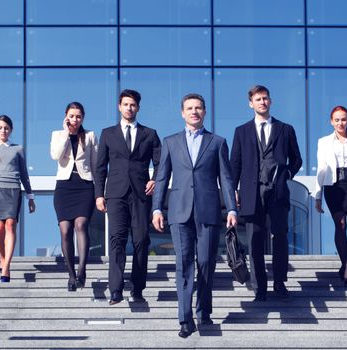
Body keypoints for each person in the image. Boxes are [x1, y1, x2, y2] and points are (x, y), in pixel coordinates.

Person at [152, 93, 237, 338]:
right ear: (182, 113)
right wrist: (157, 208)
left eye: (198, 108)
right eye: (189, 108)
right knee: (184, 263)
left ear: (204, 112)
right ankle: (185, 318)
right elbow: (161, 178)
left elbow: (226, 179)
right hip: (179, 211)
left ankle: (204, 311)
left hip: (209, 210)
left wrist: (231, 208)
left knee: (206, 264)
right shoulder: (170, 142)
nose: (194, 112)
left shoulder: (218, 142)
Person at [230, 85, 302, 301]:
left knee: (280, 236)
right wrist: (233, 190)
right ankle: (260, 287)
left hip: (278, 191)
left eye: (265, 98)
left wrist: (287, 173)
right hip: (252, 192)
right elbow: (235, 163)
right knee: (255, 241)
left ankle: (279, 283)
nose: (262, 102)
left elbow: (296, 159)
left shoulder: (285, 129)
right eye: (258, 99)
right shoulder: (241, 131)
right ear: (250, 103)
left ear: (270, 101)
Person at [95, 89, 161, 305]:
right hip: (115, 194)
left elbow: (161, 162)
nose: (129, 108)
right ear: (119, 106)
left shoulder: (149, 134)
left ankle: (138, 288)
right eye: (125, 104)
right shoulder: (107, 134)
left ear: (138, 108)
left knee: (141, 240)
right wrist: (99, 195)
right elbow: (100, 168)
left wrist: (155, 179)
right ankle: (115, 290)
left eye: (133, 105)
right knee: (117, 240)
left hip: (141, 194)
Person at [314, 106, 347, 285]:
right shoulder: (323, 142)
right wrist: (317, 195)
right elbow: (321, 168)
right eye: (337, 119)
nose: (340, 123)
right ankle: (346, 267)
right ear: (331, 121)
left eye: (343, 119)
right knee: (341, 225)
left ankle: (344, 264)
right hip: (334, 187)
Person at [0, 115, 36, 283]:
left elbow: (24, 175)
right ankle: (2, 257)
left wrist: (30, 197)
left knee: (10, 225)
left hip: (13, 191)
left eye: (7, 128)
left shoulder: (18, 149)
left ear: (11, 130)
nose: (4, 130)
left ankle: (6, 266)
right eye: (0, 127)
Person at [50, 102, 98, 291]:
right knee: (64, 229)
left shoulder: (91, 136)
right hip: (64, 187)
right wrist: (66, 134)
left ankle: (82, 270)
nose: (75, 119)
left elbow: (96, 165)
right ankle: (71, 275)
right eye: (71, 116)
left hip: (85, 185)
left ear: (83, 118)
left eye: (78, 116)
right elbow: (56, 156)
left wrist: (99, 191)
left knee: (81, 225)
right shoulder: (57, 135)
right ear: (66, 117)